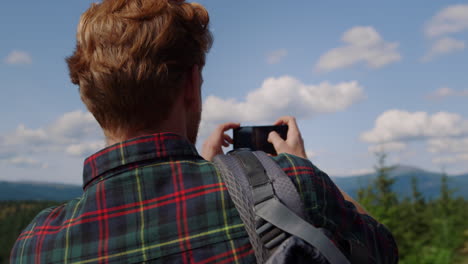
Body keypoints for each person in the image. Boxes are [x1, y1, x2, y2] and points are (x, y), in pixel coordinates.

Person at [10, 0, 398, 263]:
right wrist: (302, 166)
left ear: (89, 98)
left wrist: (204, 167)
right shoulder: (295, 184)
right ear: (192, 84)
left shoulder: (34, 245)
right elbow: (383, 251)